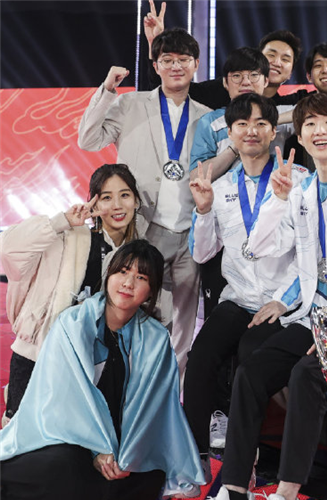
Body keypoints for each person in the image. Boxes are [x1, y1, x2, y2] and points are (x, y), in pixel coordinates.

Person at [181, 93, 327, 500]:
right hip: (308, 313)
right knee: (252, 373)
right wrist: (277, 202)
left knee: (302, 376)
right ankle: (235, 495)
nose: (318, 131)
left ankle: (287, 498)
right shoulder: (300, 188)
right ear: (300, 134)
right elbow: (269, 249)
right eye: (310, 124)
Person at [0, 240, 205, 500]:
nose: (128, 283)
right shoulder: (72, 324)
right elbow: (63, 400)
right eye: (123, 272)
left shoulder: (156, 339)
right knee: (64, 465)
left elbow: (154, 410)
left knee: (147, 477)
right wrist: (98, 448)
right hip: (68, 433)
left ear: (151, 291)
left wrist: (127, 455)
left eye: (141, 278)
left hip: (121, 442)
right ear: (109, 275)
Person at [77, 28, 212, 380]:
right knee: (139, 310)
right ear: (156, 66)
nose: (176, 66)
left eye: (183, 60)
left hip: (191, 232)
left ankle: (172, 389)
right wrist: (107, 90)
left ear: (196, 64)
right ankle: (130, 381)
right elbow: (88, 139)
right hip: (146, 226)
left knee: (185, 320)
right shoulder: (130, 104)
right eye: (167, 60)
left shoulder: (207, 116)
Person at [184, 93, 309, 455]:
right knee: (201, 356)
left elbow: (313, 255)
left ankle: (248, 451)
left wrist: (283, 301)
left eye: (260, 124)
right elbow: (202, 253)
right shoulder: (218, 187)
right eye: (242, 124)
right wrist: (203, 211)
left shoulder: (300, 182)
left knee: (250, 355)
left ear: (273, 132)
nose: (251, 131)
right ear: (230, 134)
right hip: (238, 298)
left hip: (283, 302)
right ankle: (194, 452)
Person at [0, 164, 141, 425]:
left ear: (137, 201)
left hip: (93, 367)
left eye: (125, 195)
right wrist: (61, 222)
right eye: (106, 197)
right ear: (94, 203)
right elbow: (8, 251)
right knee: (22, 440)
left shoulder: (137, 255)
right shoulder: (71, 237)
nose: (117, 205)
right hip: (39, 356)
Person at [144, 1, 307, 108]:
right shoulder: (221, 89)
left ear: (291, 72)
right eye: (271, 55)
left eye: (285, 59)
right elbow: (168, 91)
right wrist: (157, 45)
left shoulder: (287, 105)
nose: (277, 62)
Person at [189, 47, 296, 181]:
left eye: (254, 75)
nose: (246, 82)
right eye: (236, 76)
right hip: (223, 193)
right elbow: (197, 178)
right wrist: (235, 147)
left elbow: (317, 110)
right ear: (225, 83)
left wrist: (271, 119)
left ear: (266, 81)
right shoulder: (210, 122)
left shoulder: (278, 113)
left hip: (273, 192)